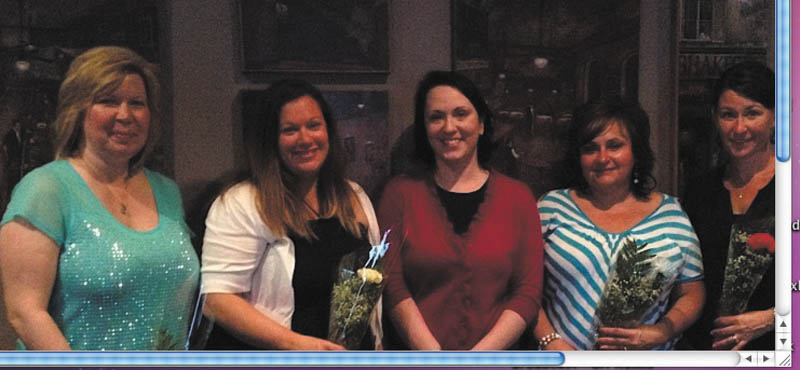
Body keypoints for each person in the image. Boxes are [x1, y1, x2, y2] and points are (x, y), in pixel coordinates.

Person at [0, 46, 199, 350]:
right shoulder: (45, 188)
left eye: (137, 103)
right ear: (77, 111)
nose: (125, 115)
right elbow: (25, 314)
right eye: (108, 101)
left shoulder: (167, 191)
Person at [201, 79, 381, 350]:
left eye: (313, 125)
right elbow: (217, 300)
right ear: (271, 140)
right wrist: (297, 345)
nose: (305, 139)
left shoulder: (354, 195)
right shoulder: (241, 203)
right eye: (290, 130)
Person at [378, 71, 543, 350]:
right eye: (436, 117)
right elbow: (391, 282)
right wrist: (435, 359)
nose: (449, 127)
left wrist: (478, 360)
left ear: (481, 124)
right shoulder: (399, 194)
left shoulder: (518, 198)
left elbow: (528, 291)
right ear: (424, 128)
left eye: (461, 114)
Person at [533, 98, 705, 350]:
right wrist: (551, 342)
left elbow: (692, 292)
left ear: (636, 151)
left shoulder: (671, 214)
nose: (602, 158)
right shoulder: (551, 207)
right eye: (590, 148)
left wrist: (663, 331)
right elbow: (522, 288)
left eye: (615, 146)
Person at [682, 62, 775, 350]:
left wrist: (774, 318)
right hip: (705, 352)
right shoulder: (699, 192)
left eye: (752, 113)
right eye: (728, 115)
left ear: (775, 117)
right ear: (715, 119)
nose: (739, 128)